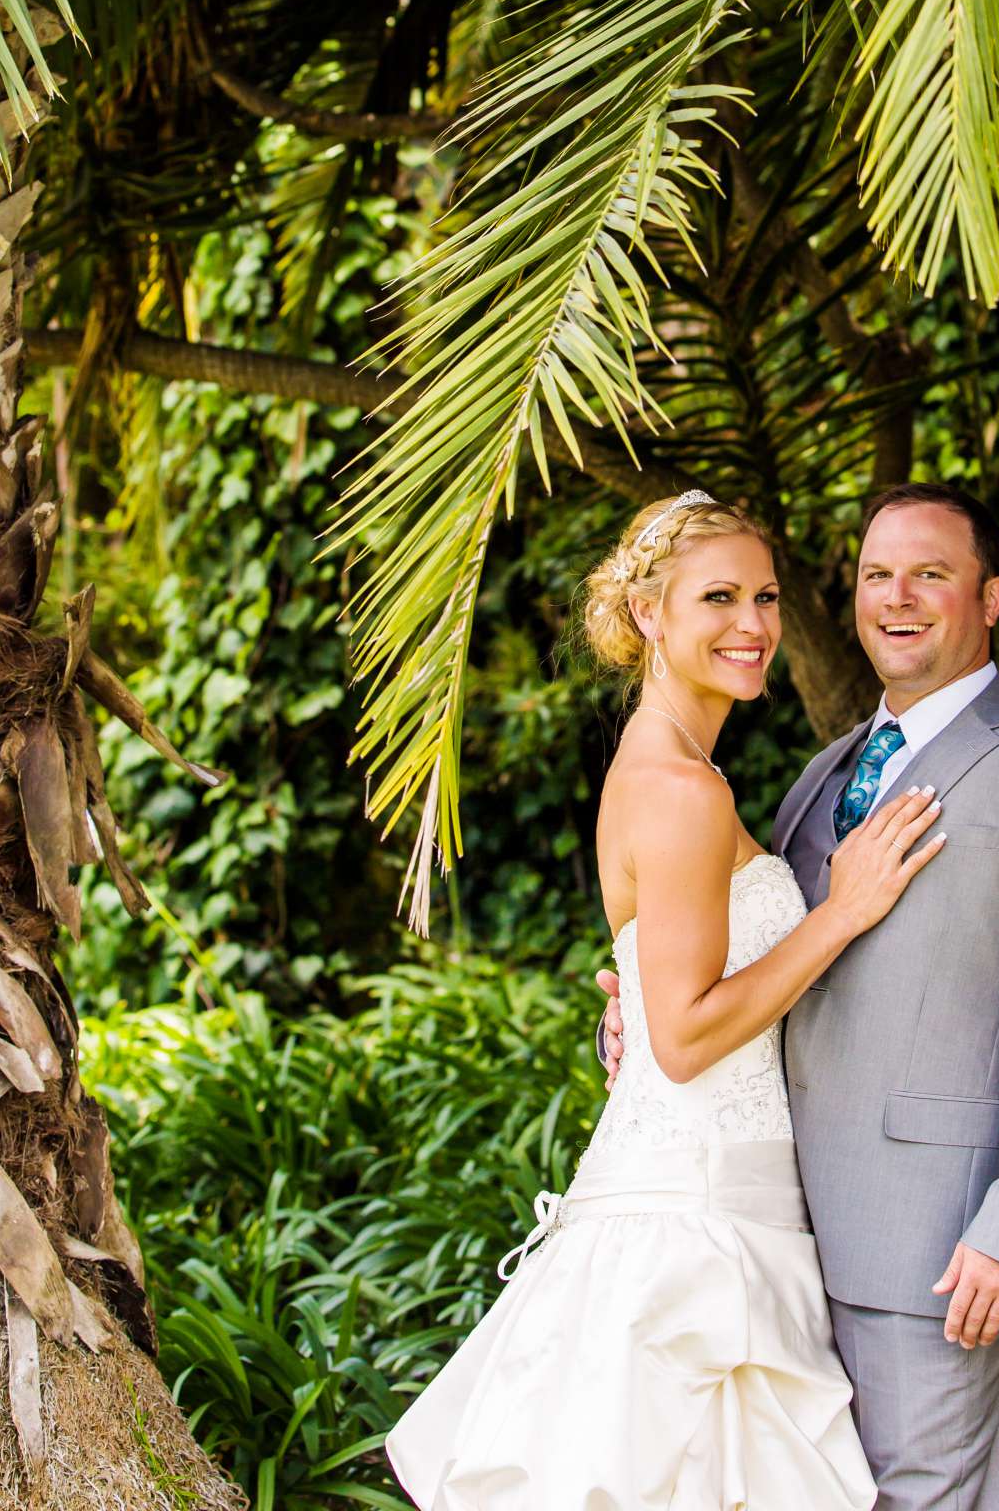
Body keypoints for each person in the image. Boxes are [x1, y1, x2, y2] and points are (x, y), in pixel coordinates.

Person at [385, 487, 947, 1511]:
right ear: (648, 612)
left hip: (719, 1197)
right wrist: (841, 910)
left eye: (766, 596)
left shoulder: (671, 771)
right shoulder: (682, 791)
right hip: (695, 1220)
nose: (752, 625)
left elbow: (667, 1001)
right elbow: (686, 1038)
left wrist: (635, 1012)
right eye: (718, 598)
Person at [600, 480, 999, 1510]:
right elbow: (756, 964)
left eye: (930, 574)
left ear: (991, 599)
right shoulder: (822, 774)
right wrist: (633, 1000)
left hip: (934, 1259)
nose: (898, 597)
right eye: (875, 575)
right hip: (777, 1247)